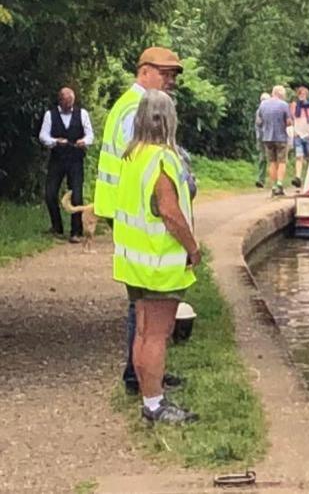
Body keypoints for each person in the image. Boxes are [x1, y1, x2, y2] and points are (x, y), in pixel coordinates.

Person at [94, 46, 184, 397]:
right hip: (134, 213)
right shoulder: (137, 109)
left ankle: (145, 373)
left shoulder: (127, 104)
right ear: (144, 71)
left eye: (174, 75)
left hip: (124, 209)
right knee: (145, 302)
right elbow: (142, 160)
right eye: (165, 73)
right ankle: (142, 377)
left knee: (141, 300)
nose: (170, 81)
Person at [114, 89, 199, 424]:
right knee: (156, 335)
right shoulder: (164, 160)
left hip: (134, 260)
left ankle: (147, 396)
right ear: (169, 120)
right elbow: (170, 212)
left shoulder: (132, 156)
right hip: (159, 263)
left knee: (142, 330)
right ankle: (154, 403)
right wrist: (192, 248)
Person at [39, 87, 93, 242]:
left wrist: (85, 141)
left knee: (77, 195)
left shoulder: (82, 114)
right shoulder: (50, 115)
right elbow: (43, 135)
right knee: (50, 193)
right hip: (57, 159)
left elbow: (90, 134)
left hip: (76, 159)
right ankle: (57, 227)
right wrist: (55, 141)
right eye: (67, 103)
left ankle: (76, 232)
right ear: (60, 101)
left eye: (72, 103)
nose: (70, 106)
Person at [258, 85, 292, 196]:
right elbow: (288, 122)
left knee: (272, 162)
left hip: (267, 138)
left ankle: (273, 186)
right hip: (281, 137)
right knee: (282, 161)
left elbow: (259, 121)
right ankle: (279, 184)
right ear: (281, 94)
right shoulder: (284, 105)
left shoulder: (263, 105)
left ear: (273, 93)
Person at [289, 86, 309, 189]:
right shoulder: (294, 106)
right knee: (299, 156)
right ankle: (298, 177)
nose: (302, 96)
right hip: (298, 135)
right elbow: (291, 119)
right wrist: (294, 130)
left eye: (304, 94)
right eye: (300, 94)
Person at [254, 92, 269, 188]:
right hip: (262, 138)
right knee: (263, 158)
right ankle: (261, 179)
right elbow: (258, 122)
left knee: (269, 158)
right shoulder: (259, 111)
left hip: (269, 137)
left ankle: (273, 180)